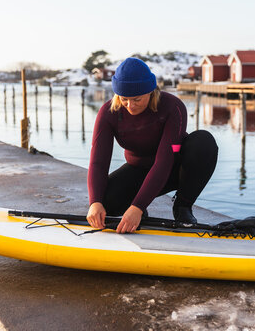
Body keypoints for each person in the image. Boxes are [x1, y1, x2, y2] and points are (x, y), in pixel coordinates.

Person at [87, 57, 218, 233]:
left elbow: (164, 161)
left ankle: (182, 207)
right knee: (106, 203)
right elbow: (98, 163)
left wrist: (137, 206)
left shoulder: (172, 107)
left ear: (150, 91)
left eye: (137, 99)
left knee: (203, 142)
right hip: (139, 169)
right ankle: (137, 210)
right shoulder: (108, 113)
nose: (130, 106)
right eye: (124, 99)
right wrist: (94, 202)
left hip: (176, 168)